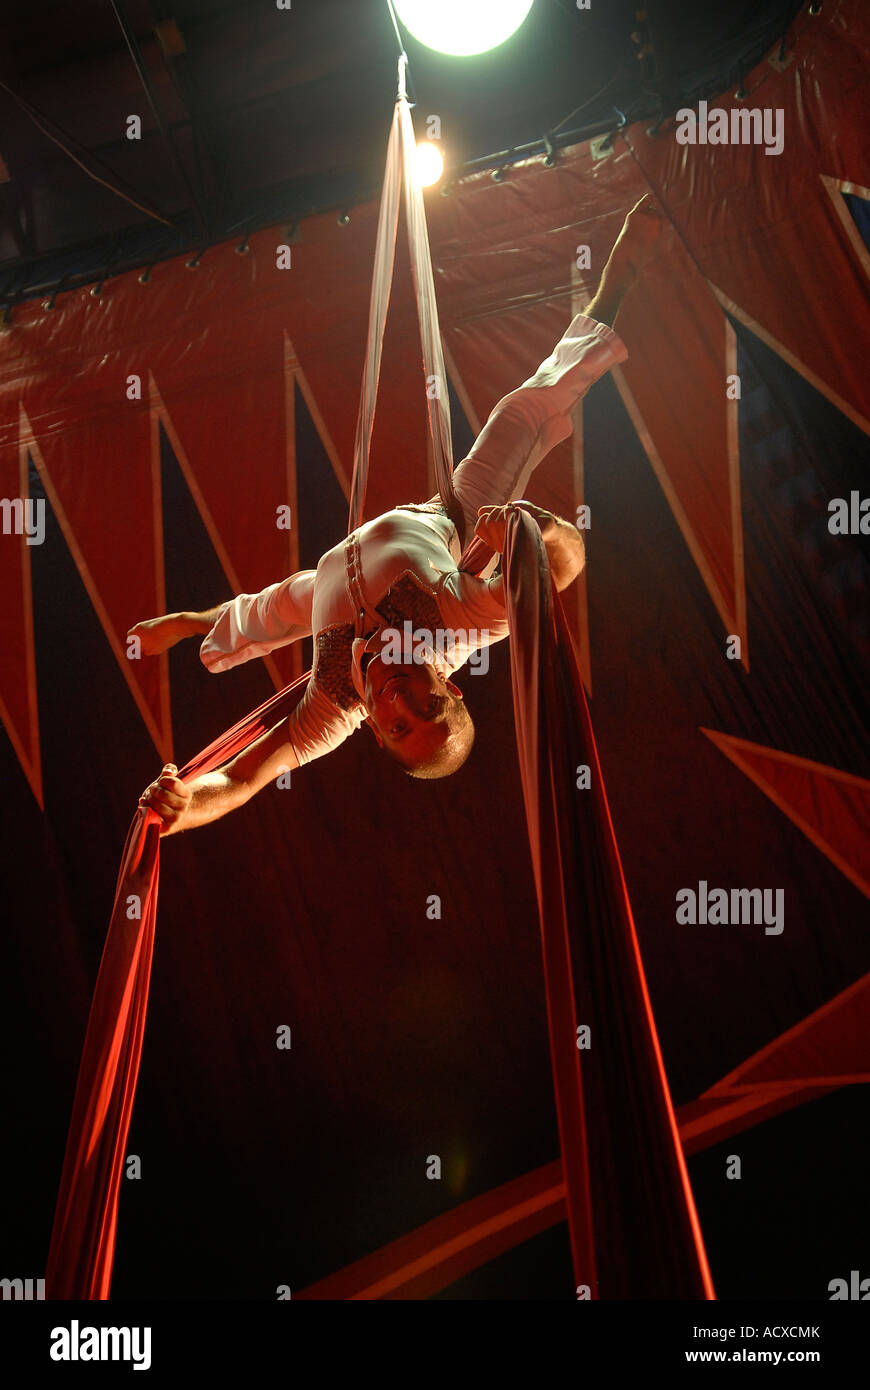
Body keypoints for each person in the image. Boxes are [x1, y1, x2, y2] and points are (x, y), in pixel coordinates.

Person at [134, 196, 662, 833]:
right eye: (429, 707)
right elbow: (562, 568)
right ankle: (621, 278)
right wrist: (531, 528)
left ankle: (195, 623)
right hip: (455, 522)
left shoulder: (332, 705)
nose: (401, 699)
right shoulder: (462, 627)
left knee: (274, 608)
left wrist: (186, 806)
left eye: (397, 726)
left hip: (326, 588)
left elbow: (246, 778)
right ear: (452, 688)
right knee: (520, 413)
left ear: (376, 736)